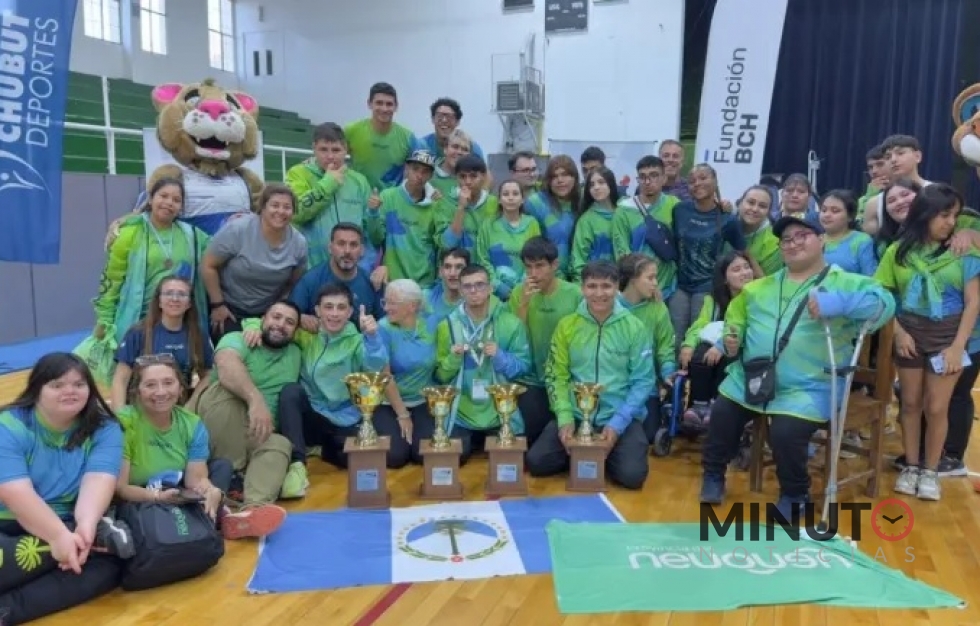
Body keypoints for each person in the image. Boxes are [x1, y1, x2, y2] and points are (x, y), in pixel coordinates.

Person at [699, 216, 895, 518]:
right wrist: (730, 340)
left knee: (786, 430)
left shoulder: (845, 282)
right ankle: (713, 475)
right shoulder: (759, 288)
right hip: (753, 377)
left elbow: (885, 305)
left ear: (822, 240)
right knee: (723, 411)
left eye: (802, 235)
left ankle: (795, 495)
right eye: (786, 240)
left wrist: (840, 303)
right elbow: (736, 318)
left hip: (810, 385)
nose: (793, 243)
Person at [0, 353, 133, 624]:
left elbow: (98, 480)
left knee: (110, 563)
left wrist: (85, 528)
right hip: (10, 524)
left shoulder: (105, 428)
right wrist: (58, 537)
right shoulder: (10, 425)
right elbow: (16, 493)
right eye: (57, 385)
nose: (70, 391)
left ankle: (8, 609)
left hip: (68, 523)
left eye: (79, 384)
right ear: (37, 389)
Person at [874, 184, 980, 501]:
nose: (952, 222)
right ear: (925, 214)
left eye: (955, 215)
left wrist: (957, 347)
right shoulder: (897, 252)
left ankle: (931, 471)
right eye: (944, 215)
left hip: (948, 336)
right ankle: (911, 466)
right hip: (909, 333)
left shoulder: (963, 252)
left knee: (936, 407)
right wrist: (899, 332)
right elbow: (883, 296)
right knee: (909, 403)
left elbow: (973, 303)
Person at [114, 354, 287, 540]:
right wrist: (156, 496)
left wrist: (209, 490)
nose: (161, 392)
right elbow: (120, 489)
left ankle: (217, 514)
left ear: (181, 388)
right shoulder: (123, 423)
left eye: (168, 383)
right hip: (138, 497)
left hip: (175, 492)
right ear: (137, 392)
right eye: (150, 385)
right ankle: (218, 519)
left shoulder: (192, 424)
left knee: (221, 467)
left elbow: (195, 479)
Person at [526, 261, 655, 489]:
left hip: (618, 417)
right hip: (577, 416)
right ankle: (585, 453)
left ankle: (594, 454)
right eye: (592, 286)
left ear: (617, 287)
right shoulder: (567, 326)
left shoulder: (635, 328)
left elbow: (643, 382)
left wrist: (617, 425)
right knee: (537, 462)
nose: (599, 294)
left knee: (632, 476)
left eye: (606, 286)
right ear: (582, 288)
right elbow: (556, 375)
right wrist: (565, 418)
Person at [268, 285, 404, 469]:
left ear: (350, 312)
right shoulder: (306, 335)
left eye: (341, 307)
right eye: (328, 307)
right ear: (318, 311)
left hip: (344, 420)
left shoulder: (357, 341)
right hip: (313, 416)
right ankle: (297, 463)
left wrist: (372, 337)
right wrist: (252, 328)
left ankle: (322, 450)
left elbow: (375, 366)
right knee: (290, 392)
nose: (334, 313)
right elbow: (273, 327)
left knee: (373, 460)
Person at [189, 301, 306, 506]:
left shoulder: (296, 352)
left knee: (280, 444)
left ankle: (253, 508)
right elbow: (227, 365)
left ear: (296, 331)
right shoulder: (237, 338)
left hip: (257, 431)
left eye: (289, 322)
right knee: (224, 392)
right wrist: (255, 399)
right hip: (219, 429)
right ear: (263, 319)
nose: (280, 325)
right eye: (276, 317)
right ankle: (228, 474)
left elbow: (328, 330)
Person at [93, 178, 209, 363]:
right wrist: (104, 322)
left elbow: (221, 250)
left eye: (176, 200)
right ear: (150, 199)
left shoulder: (193, 235)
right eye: (163, 196)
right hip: (139, 323)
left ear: (181, 207)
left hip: (179, 322)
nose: (169, 202)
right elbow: (112, 282)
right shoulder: (128, 233)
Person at [433, 265, 531, 463]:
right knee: (453, 459)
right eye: (467, 286)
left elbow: (523, 367)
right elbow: (440, 377)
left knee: (507, 463)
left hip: (499, 412)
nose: (474, 291)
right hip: (461, 413)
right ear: (460, 290)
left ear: (490, 288)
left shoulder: (511, 323)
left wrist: (501, 357)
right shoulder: (447, 326)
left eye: (479, 285)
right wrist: (453, 359)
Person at [201, 184, 308, 343]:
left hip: (267, 313)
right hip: (228, 308)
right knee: (234, 347)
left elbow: (293, 283)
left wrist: (276, 311)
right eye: (275, 205)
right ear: (263, 208)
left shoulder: (299, 243)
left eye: (287, 207)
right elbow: (208, 265)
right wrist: (217, 305)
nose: (280, 211)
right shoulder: (238, 230)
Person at [509, 238, 582, 445]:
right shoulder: (518, 293)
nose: (533, 273)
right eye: (528, 267)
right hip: (531, 380)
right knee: (528, 441)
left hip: (566, 381)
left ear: (555, 265)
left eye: (540, 266)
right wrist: (524, 304)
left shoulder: (575, 294)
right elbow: (514, 340)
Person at [679, 251, 759, 426]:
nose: (745, 273)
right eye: (737, 269)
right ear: (724, 278)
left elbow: (753, 328)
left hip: (746, 348)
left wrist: (721, 345)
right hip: (716, 346)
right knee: (700, 353)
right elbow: (700, 325)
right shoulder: (713, 301)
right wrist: (688, 345)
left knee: (727, 356)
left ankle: (717, 406)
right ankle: (699, 405)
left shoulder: (759, 297)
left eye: (747, 267)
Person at [286, 122, 377, 272]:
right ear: (314, 148)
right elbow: (297, 213)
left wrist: (365, 266)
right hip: (313, 269)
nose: (330, 156)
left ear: (345, 150)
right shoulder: (298, 174)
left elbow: (368, 232)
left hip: (353, 270)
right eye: (323, 149)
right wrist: (328, 183)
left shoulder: (359, 181)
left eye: (336, 150)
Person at [112, 276, 213, 408]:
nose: (175, 299)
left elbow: (208, 375)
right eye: (169, 293)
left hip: (181, 408)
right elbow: (120, 379)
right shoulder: (137, 333)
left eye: (182, 294)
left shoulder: (198, 335)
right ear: (159, 301)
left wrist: (192, 403)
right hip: (141, 409)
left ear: (189, 303)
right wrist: (121, 415)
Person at [365, 149, 449, 288]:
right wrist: (373, 212)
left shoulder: (436, 203)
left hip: (425, 285)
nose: (419, 175)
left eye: (425, 171)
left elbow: (443, 244)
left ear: (431, 175)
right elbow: (376, 239)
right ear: (406, 169)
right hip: (393, 282)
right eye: (415, 169)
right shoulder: (388, 197)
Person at [373, 280, 437, 463]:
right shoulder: (382, 328)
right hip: (390, 402)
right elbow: (385, 376)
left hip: (422, 400)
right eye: (385, 302)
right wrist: (402, 414)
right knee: (396, 457)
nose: (386, 308)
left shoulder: (431, 324)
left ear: (412, 306)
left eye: (392, 303)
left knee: (423, 454)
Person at [616, 254, 677, 439]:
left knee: (648, 435)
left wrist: (668, 372)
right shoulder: (611, 306)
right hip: (614, 386)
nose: (655, 283)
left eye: (655, 277)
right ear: (633, 279)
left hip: (645, 386)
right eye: (650, 278)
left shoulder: (658, 308)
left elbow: (665, 346)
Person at [290, 223, 383, 332]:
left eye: (353, 245)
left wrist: (374, 329)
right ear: (330, 248)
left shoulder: (372, 282)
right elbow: (289, 313)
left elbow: (386, 323)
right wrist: (300, 318)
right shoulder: (310, 280)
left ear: (362, 250)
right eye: (341, 244)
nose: (347, 251)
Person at [475, 179, 541, 301]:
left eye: (515, 194)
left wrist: (522, 286)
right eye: (506, 194)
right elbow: (482, 257)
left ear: (522, 199)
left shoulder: (532, 223)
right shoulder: (488, 225)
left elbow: (537, 256)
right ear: (499, 200)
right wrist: (496, 285)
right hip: (493, 292)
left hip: (526, 289)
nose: (511, 198)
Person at [524, 155, 581, 279]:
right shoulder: (535, 203)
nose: (560, 180)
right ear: (548, 181)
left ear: (575, 177)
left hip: (581, 275)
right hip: (548, 277)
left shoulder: (583, 202)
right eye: (554, 176)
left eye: (565, 174)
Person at [570, 167, 621, 281]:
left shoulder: (623, 213)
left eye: (601, 182)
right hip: (597, 282)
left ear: (611, 184)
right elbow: (579, 259)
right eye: (592, 185)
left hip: (624, 281)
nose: (596, 187)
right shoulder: (586, 220)